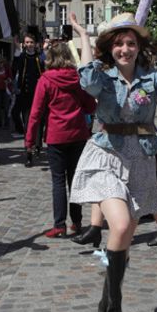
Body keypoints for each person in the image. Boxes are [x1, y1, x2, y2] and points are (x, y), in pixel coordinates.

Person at [68, 7, 157, 312]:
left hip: (141, 158)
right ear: (111, 47)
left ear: (138, 47)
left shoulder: (149, 78)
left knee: (123, 240)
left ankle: (107, 292)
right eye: (119, 43)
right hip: (106, 153)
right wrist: (84, 38)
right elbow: (87, 80)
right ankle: (117, 305)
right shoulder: (103, 77)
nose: (125, 49)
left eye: (130, 43)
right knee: (118, 225)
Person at [26, 41, 96, 238]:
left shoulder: (45, 80)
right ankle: (77, 221)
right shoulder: (78, 79)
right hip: (78, 135)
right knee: (75, 179)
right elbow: (90, 106)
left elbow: (36, 113)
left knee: (58, 181)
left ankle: (59, 225)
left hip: (56, 136)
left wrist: (30, 140)